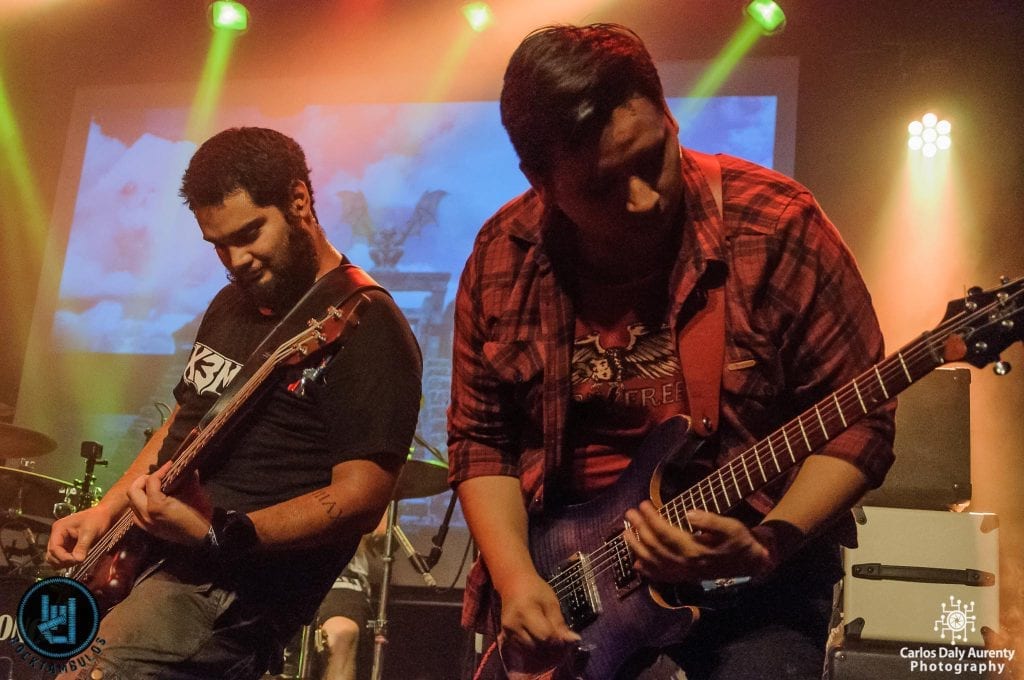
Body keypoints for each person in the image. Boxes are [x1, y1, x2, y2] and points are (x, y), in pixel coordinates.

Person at [447, 24, 895, 680]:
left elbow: (861, 419)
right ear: (540, 181)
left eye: (653, 156)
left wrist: (768, 544)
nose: (644, 199)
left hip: (754, 584)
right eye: (602, 186)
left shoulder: (776, 227)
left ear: (669, 116)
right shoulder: (503, 256)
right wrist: (517, 581)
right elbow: (482, 440)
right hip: (568, 586)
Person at [46, 127, 423, 680]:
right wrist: (108, 512)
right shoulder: (230, 302)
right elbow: (184, 424)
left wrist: (221, 532)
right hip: (156, 563)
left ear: (299, 201)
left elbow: (363, 498)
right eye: (219, 244)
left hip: (228, 596)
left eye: (249, 234)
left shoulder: (369, 325)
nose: (236, 258)